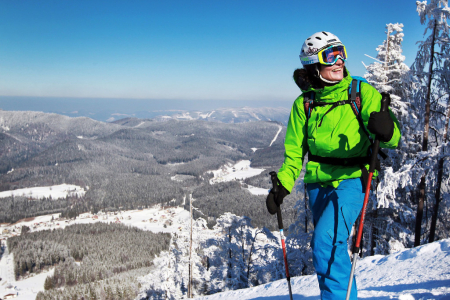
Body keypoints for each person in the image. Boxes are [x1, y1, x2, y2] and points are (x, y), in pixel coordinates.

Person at [266, 31, 401, 299]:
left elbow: (391, 138)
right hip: (317, 184)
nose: (340, 60)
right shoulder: (304, 104)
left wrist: (387, 131)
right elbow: (294, 153)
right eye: (331, 55)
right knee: (331, 249)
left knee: (326, 243)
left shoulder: (360, 92)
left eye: (342, 52)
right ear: (314, 65)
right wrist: (283, 184)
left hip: (352, 180)